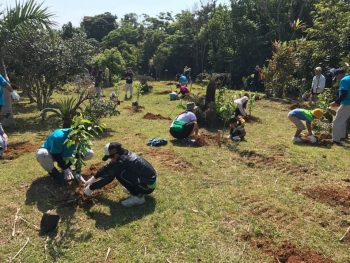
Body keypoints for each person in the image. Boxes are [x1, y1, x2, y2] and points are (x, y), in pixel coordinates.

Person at [83, 142, 157, 207]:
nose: (110, 159)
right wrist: (93, 178)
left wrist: (91, 188)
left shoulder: (122, 161)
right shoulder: (124, 154)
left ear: (116, 154)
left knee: (120, 174)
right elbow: (108, 167)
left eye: (110, 157)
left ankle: (139, 197)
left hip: (148, 186)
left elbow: (109, 178)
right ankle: (136, 190)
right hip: (146, 180)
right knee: (119, 172)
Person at [329, 68, 350, 145]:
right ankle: (342, 136)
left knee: (336, 121)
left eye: (336, 76)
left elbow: (344, 93)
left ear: (339, 74)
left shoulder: (344, 80)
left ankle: (336, 140)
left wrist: (336, 102)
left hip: (347, 103)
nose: (336, 78)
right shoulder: (349, 78)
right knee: (343, 120)